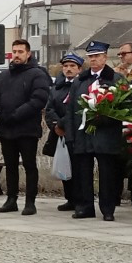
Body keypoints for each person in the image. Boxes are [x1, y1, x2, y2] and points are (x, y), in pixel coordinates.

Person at [64, 40, 124, 221]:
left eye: (97, 56)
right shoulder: (80, 81)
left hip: (107, 135)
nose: (94, 60)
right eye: (91, 56)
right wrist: (70, 135)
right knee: (83, 173)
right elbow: (72, 110)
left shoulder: (116, 79)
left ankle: (108, 209)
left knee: (107, 174)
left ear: (105, 57)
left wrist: (107, 118)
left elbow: (124, 108)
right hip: (84, 135)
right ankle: (85, 206)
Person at [0, 39, 52, 215]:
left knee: (29, 165)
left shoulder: (37, 74)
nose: (16, 55)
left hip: (27, 129)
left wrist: (16, 115)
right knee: (10, 166)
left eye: (20, 52)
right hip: (6, 128)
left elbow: (38, 99)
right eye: (14, 51)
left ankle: (30, 202)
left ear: (28, 54)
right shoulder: (3, 76)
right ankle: (11, 199)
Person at [44, 53, 83, 211]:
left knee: (79, 168)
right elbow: (49, 109)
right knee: (64, 166)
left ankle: (80, 199)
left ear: (79, 69)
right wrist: (55, 125)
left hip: (77, 133)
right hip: (60, 134)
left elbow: (77, 110)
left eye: (72, 66)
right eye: (66, 66)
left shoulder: (82, 85)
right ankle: (70, 199)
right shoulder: (57, 88)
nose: (68, 69)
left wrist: (63, 123)